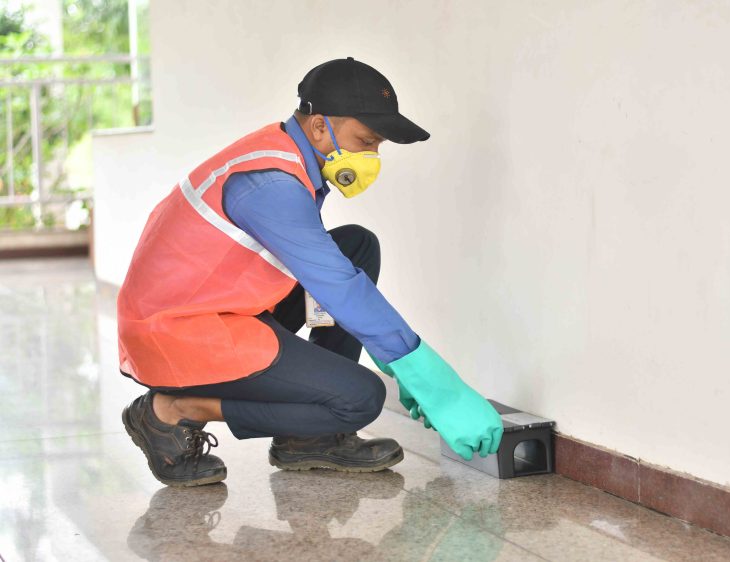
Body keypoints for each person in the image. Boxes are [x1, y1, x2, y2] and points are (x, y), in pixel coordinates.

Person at [118, 57, 503, 487]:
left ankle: (308, 437)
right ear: (320, 126)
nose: (372, 156)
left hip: (217, 308)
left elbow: (334, 276)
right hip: (180, 334)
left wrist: (400, 364)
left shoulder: (287, 156)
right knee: (362, 398)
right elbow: (336, 285)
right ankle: (172, 410)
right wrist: (431, 380)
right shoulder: (272, 185)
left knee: (356, 245)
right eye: (366, 141)